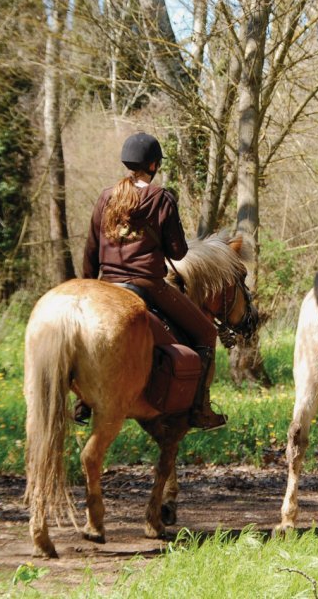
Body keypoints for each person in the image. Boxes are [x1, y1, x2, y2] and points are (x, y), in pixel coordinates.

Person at [80, 131, 227, 430]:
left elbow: (91, 250)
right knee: (206, 333)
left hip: (107, 285)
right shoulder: (160, 198)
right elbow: (179, 251)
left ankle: (83, 400)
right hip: (148, 285)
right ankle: (200, 408)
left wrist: (88, 287)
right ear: (153, 165)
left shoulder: (106, 196)